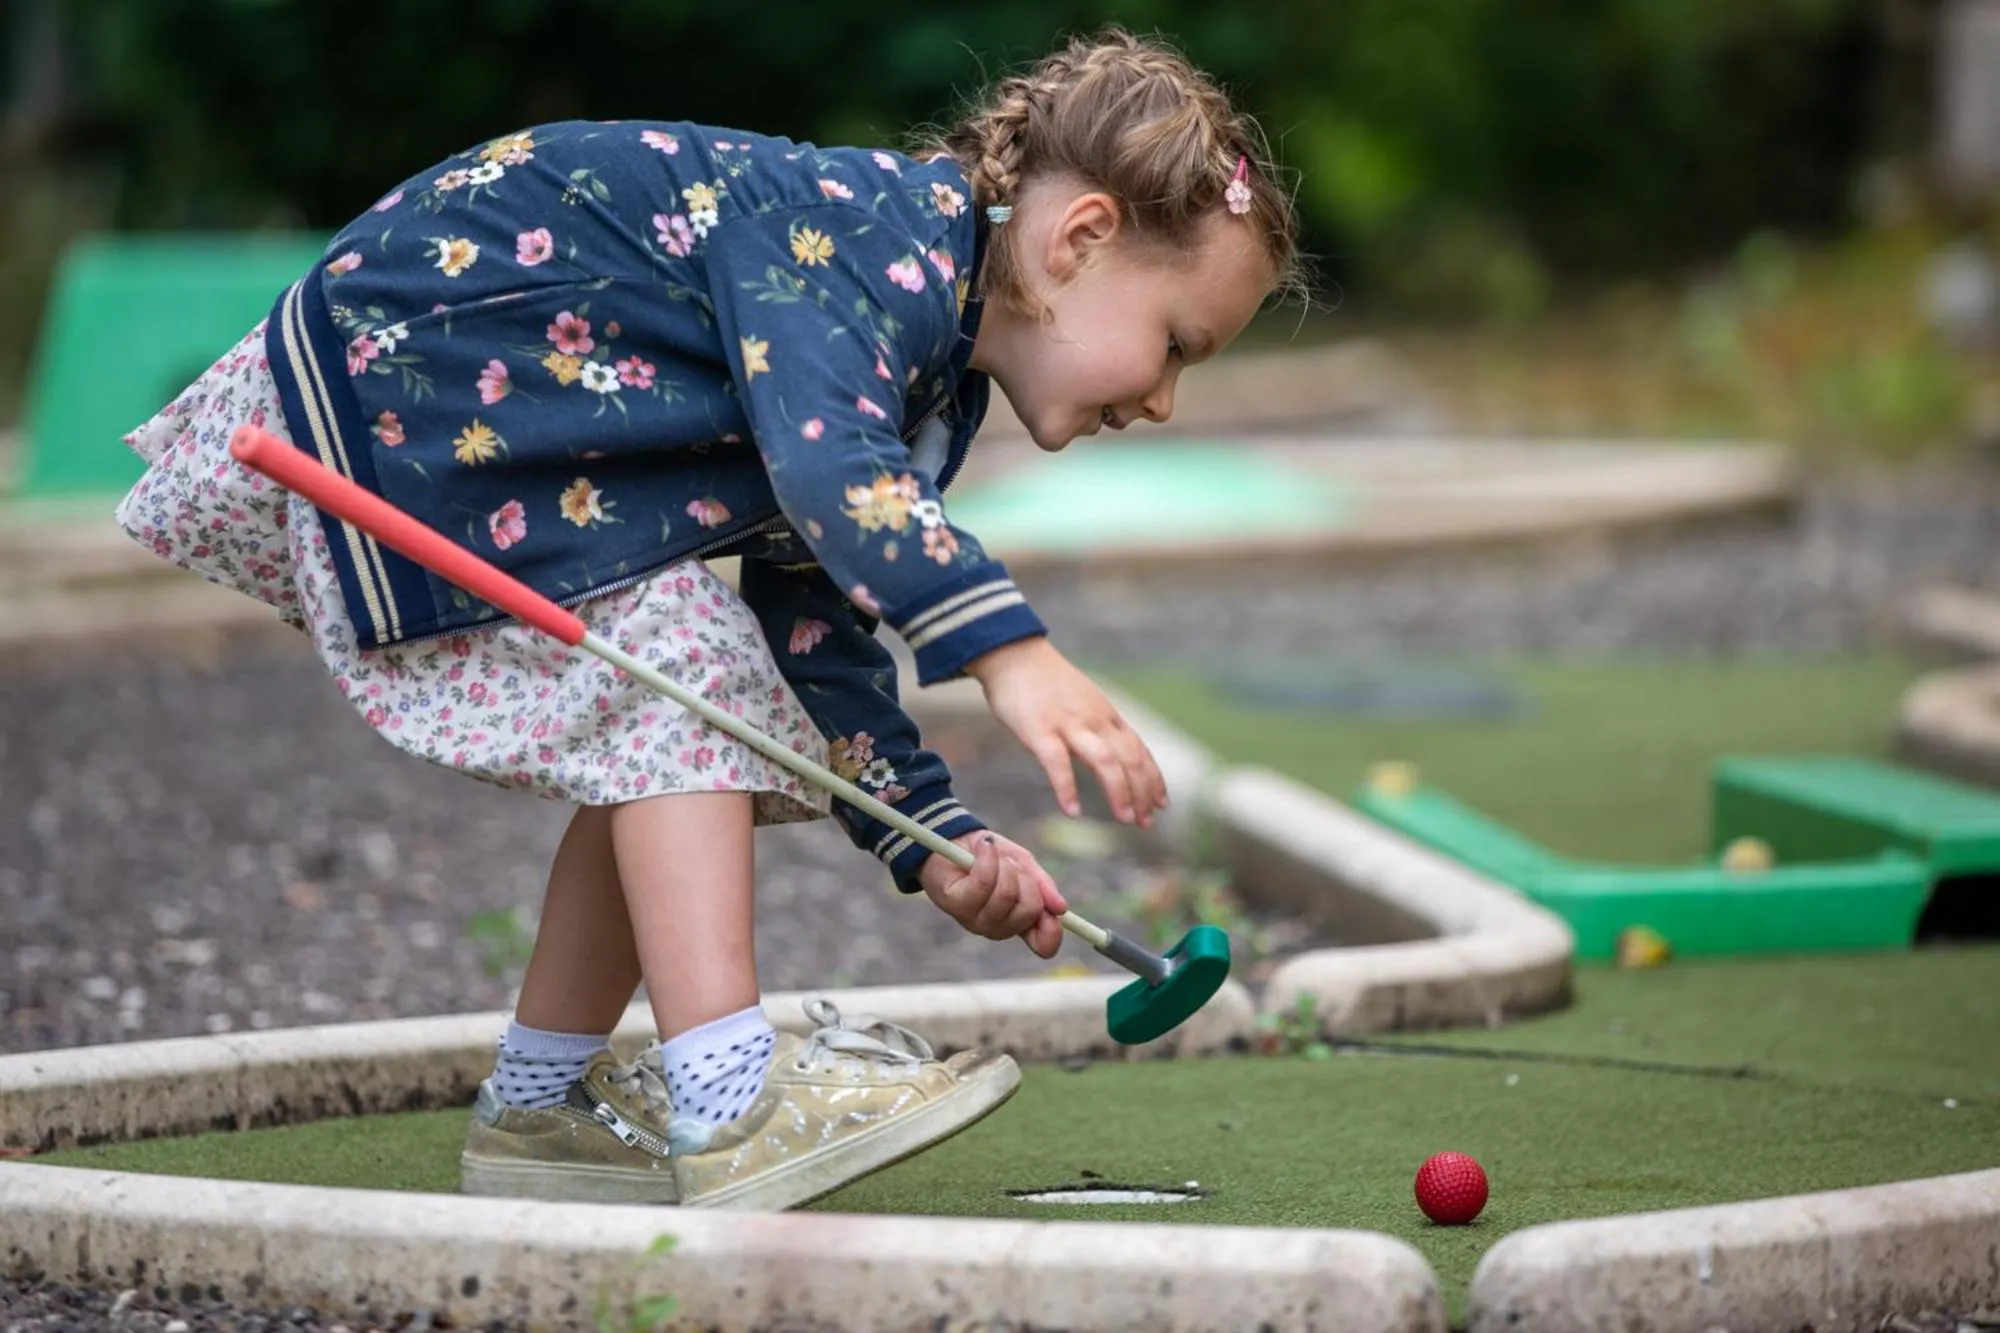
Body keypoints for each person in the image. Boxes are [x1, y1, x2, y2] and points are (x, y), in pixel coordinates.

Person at [113, 25, 1301, 1210]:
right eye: (1173, 345)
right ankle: (731, 1106)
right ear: (1080, 237)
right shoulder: (869, 240)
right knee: (682, 659)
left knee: (666, 700)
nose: (1162, 399)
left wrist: (929, 835)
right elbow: (831, 472)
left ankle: (538, 1106)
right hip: (405, 393)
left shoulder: (931, 367)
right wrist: (1008, 653)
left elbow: (814, 618)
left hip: (465, 426)